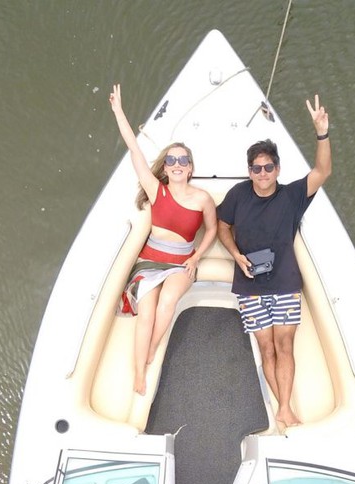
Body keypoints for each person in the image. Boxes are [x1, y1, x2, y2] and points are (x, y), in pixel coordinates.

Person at [216, 95, 332, 427]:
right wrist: (235, 254)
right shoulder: (238, 195)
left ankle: (284, 408)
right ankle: (283, 409)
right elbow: (223, 225)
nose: (263, 172)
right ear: (249, 171)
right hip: (250, 285)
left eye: (268, 167)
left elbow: (323, 171)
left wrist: (321, 133)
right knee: (266, 348)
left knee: (285, 344)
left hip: (283, 282)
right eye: (256, 168)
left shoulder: (292, 196)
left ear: (277, 169)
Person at [109, 84, 217, 396]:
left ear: (191, 167)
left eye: (183, 161)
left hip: (182, 261)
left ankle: (153, 350)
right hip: (149, 259)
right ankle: (139, 372)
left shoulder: (202, 198)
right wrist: (118, 111)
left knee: (167, 302)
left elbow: (210, 230)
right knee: (147, 311)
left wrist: (196, 258)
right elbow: (134, 151)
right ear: (166, 168)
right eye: (171, 161)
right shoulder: (158, 190)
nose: (177, 165)